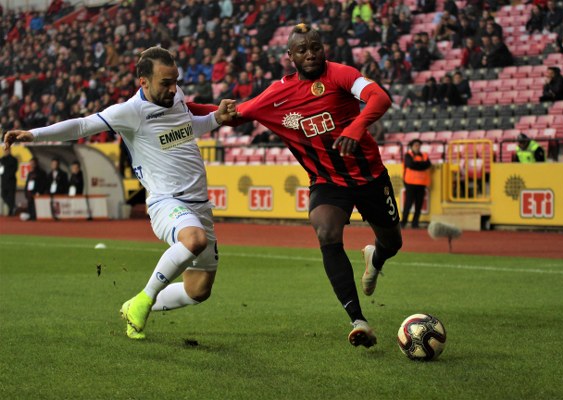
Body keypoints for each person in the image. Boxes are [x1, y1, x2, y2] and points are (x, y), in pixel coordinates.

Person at [189, 24, 402, 349]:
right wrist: (181, 106)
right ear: (290, 56)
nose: (310, 53)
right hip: (327, 182)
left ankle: (376, 257)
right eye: (302, 49)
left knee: (393, 242)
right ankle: (358, 320)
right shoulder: (277, 95)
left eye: (315, 46)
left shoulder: (342, 75)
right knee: (327, 233)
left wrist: (357, 126)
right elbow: (232, 114)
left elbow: (379, 97)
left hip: (370, 176)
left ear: (323, 48)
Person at [4, 46, 239, 340]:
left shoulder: (176, 99)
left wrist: (217, 118)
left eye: (175, 80)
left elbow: (188, 128)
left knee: (198, 290)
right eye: (165, 82)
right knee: (194, 240)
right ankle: (145, 297)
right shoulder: (131, 112)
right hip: (167, 202)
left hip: (200, 206)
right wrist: (34, 134)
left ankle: (135, 305)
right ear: (143, 81)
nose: (174, 88)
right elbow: (82, 125)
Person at [401, 139, 431, 229]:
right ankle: (404, 222)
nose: (417, 147)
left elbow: (428, 164)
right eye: (415, 145)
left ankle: (415, 223)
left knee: (419, 204)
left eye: (418, 145)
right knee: (408, 203)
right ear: (412, 146)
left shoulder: (425, 155)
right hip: (410, 183)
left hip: (421, 184)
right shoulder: (408, 155)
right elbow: (410, 165)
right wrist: (421, 165)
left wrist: (417, 164)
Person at [0, 145, 18, 216]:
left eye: (7, 150)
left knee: (11, 196)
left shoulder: (13, 159)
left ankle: (11, 211)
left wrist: (8, 175)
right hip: (4, 181)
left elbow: (15, 169)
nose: (6, 151)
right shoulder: (1, 159)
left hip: (11, 181)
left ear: (10, 150)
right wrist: (2, 175)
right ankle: (12, 207)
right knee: (3, 195)